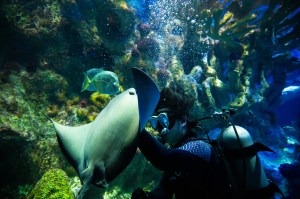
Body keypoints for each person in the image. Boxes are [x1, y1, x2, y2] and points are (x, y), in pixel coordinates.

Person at [132, 87, 231, 199]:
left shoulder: (199, 148)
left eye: (164, 120)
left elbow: (163, 159)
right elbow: (165, 189)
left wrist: (135, 126)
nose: (159, 128)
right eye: (156, 122)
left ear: (183, 121)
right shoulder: (179, 153)